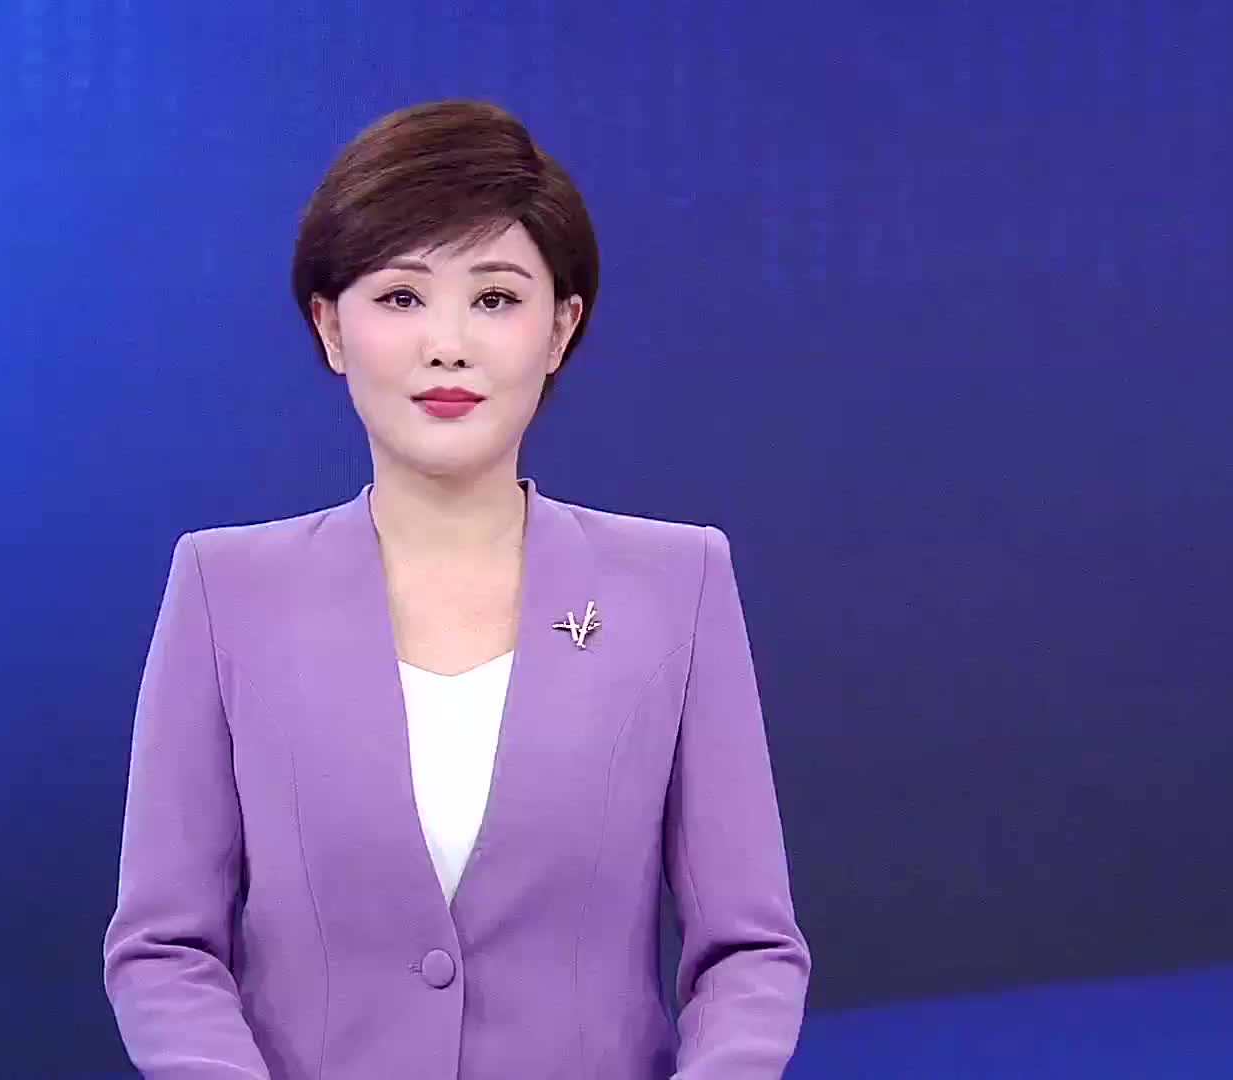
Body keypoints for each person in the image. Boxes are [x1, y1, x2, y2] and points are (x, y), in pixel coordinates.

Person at [103, 99, 810, 1079]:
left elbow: (749, 952)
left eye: (494, 298)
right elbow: (165, 949)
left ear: (560, 328)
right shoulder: (225, 590)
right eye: (401, 297)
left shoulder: (676, 584)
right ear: (330, 326)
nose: (447, 344)